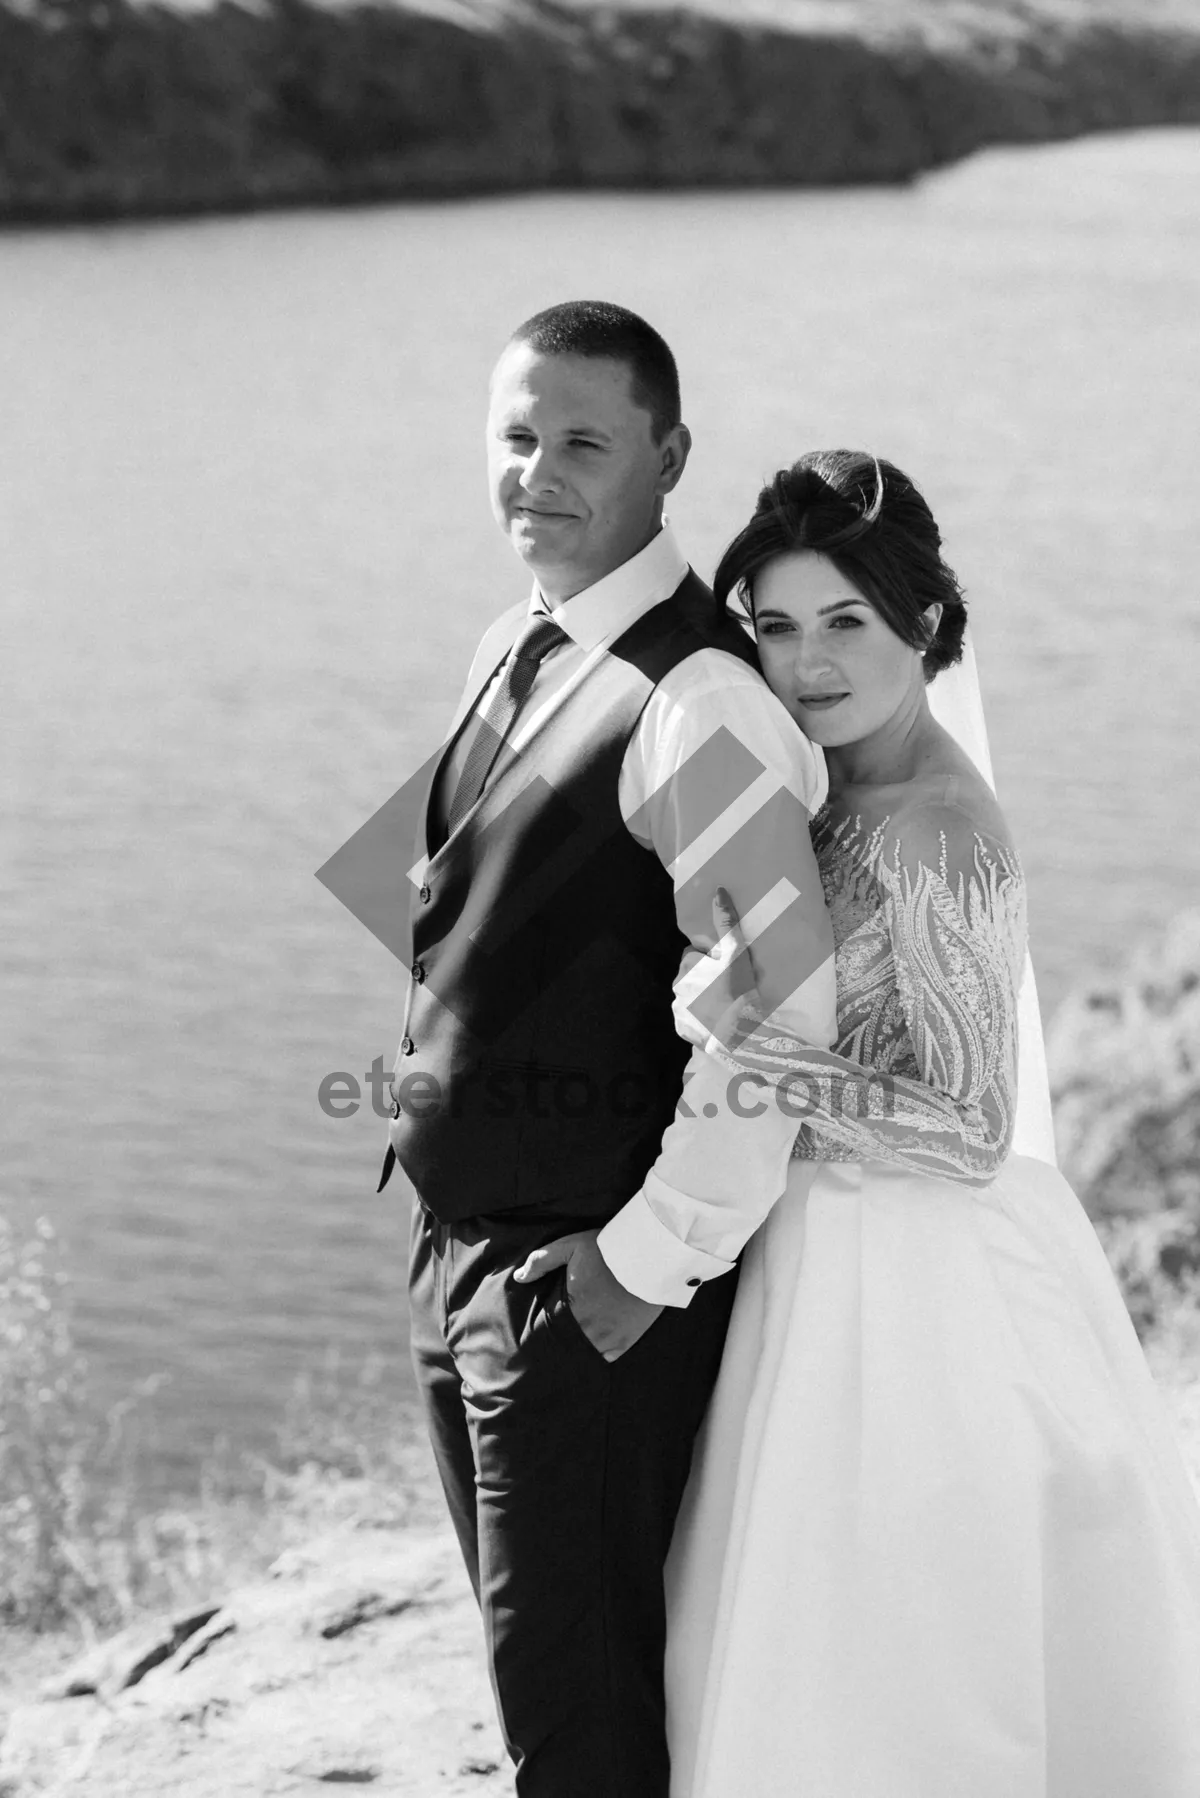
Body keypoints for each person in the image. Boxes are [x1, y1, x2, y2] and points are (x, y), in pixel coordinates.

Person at [586, 449, 1200, 1796]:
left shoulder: (935, 827)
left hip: (919, 1279)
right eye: (777, 627)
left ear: (926, 624)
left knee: (894, 1641)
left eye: (846, 622)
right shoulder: (821, 788)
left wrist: (759, 1048)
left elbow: (969, 1128)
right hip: (808, 1246)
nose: (807, 663)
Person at [377, 303, 840, 1796]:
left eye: (583, 440)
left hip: (580, 1289)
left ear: (669, 459)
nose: (537, 472)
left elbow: (785, 1011)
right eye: (516, 436)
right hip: (461, 1261)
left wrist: (643, 1260)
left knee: (581, 1731)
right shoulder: (511, 643)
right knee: (547, 1699)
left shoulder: (700, 700)